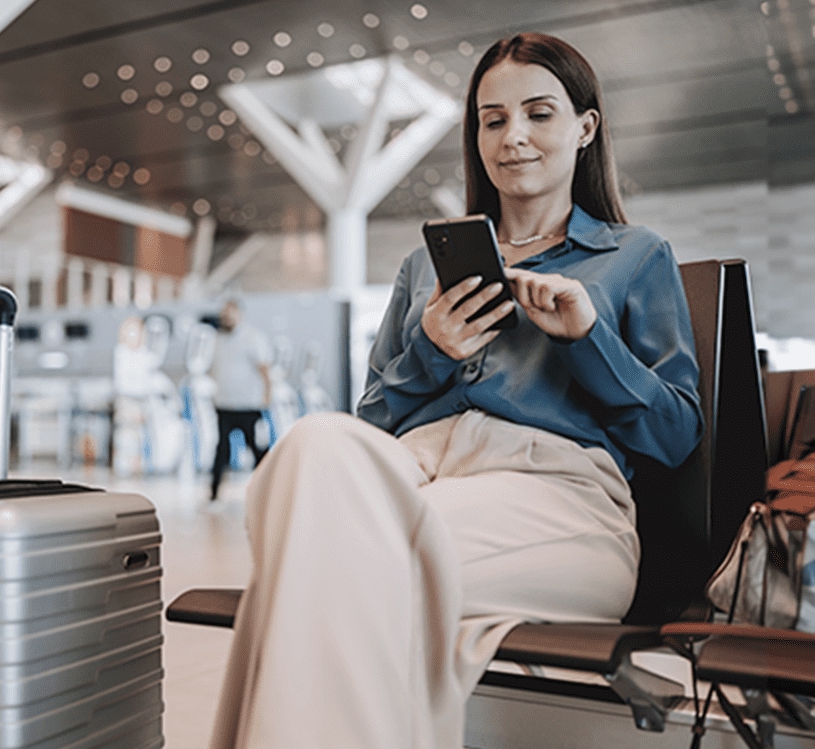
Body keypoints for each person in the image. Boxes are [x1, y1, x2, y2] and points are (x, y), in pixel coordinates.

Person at [210, 32, 704, 749]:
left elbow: (676, 434)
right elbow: (372, 423)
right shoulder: (423, 267)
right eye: (492, 118)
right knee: (316, 440)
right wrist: (432, 351)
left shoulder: (634, 256)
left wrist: (586, 339)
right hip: (418, 476)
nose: (513, 137)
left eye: (538, 113)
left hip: (555, 498)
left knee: (317, 574)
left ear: (585, 128)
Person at [209, 298, 272, 500]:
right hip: (224, 404)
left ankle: (271, 488)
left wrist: (267, 395)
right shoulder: (218, 339)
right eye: (223, 314)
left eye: (229, 314)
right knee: (221, 449)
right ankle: (214, 494)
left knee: (257, 448)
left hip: (248, 405)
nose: (225, 318)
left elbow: (264, 370)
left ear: (239, 314)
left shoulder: (253, 338)